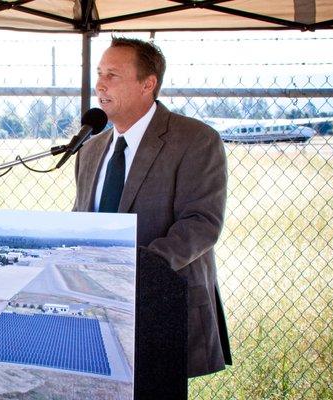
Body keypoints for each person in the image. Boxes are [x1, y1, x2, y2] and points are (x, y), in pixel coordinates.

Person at [73, 37, 232, 379]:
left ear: (148, 84)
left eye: (112, 74)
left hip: (163, 307)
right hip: (99, 307)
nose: (99, 84)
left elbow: (201, 223)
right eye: (99, 73)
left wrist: (134, 270)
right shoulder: (90, 149)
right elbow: (83, 221)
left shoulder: (195, 140)